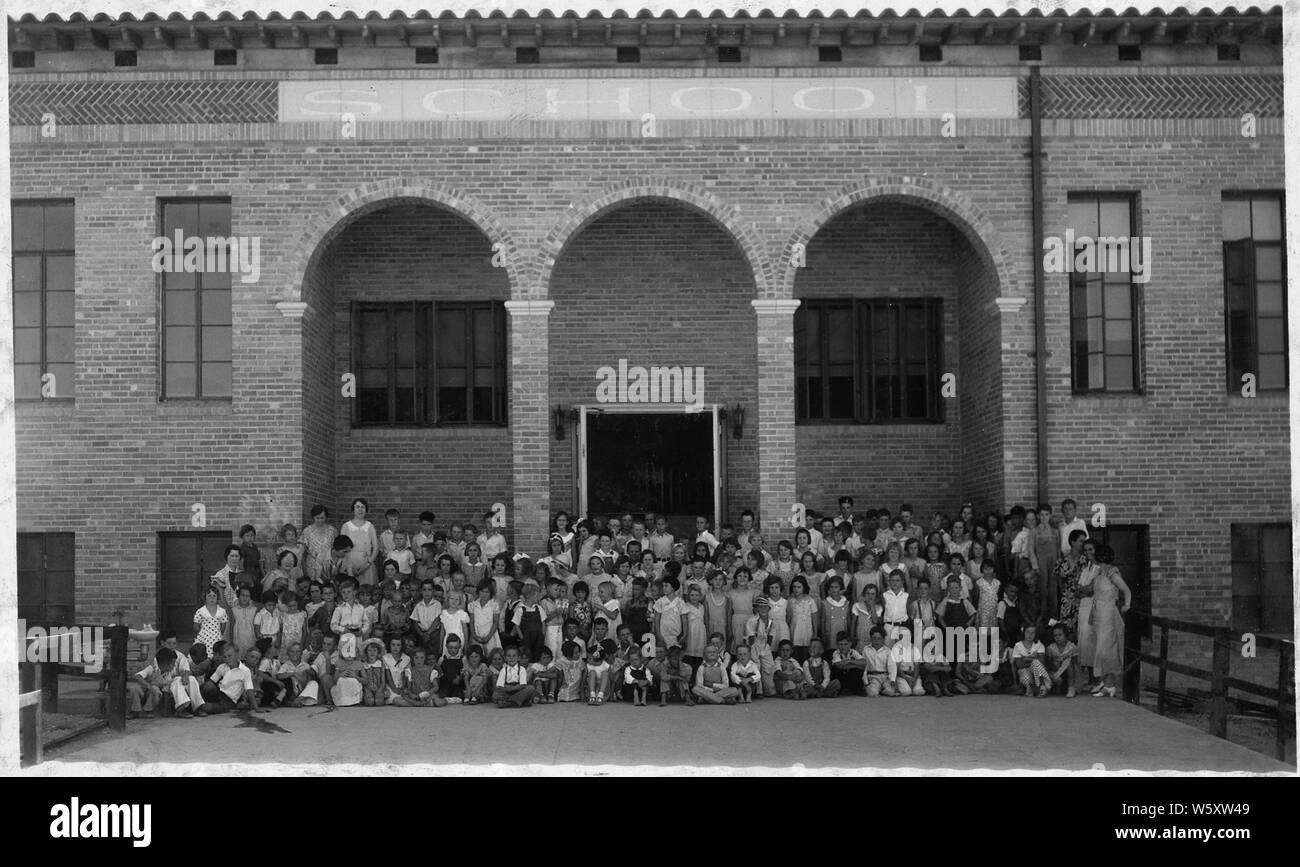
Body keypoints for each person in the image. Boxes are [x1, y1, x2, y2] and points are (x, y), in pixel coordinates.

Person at [1082, 544, 1132, 697]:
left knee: (1106, 649)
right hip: (1098, 614)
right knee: (1099, 649)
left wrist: (1126, 604)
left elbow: (1126, 590)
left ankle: (1110, 685)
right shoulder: (1099, 574)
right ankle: (1106, 681)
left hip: (1108, 615)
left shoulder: (1112, 573)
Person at [195, 643, 261, 716]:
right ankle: (195, 704)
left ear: (237, 654)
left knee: (207, 707)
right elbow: (211, 682)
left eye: (229, 656)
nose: (227, 659)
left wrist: (256, 708)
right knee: (208, 686)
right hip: (218, 693)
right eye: (224, 657)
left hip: (229, 701)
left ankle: (198, 707)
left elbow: (249, 690)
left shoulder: (245, 671)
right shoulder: (222, 667)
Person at [744, 596, 778, 697]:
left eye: (765, 607)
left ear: (769, 608)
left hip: (765, 645)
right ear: (756, 609)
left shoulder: (772, 621)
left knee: (769, 666)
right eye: (760, 607)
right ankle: (758, 691)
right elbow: (750, 637)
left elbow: (771, 635)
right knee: (756, 666)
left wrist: (767, 646)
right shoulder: (752, 621)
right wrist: (752, 650)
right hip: (754, 644)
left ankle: (769, 690)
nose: (762, 609)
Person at [341, 498, 380, 586]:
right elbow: (342, 547)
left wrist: (368, 563)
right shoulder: (346, 526)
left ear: (366, 510)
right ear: (353, 509)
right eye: (357, 507)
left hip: (366, 564)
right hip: (349, 564)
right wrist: (350, 566)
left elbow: (376, 547)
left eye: (363, 507)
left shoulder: (370, 526)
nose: (360, 509)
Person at [1012, 624, 1052, 697]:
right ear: (1024, 632)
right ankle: (1032, 688)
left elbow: (1042, 661)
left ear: (1036, 634)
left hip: (1037, 669)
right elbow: (1019, 665)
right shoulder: (1018, 646)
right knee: (1026, 677)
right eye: (1028, 632)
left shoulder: (1039, 644)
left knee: (1036, 662)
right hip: (1024, 670)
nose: (1030, 635)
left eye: (1033, 633)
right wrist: (1033, 659)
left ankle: (1042, 686)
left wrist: (1027, 659)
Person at [301, 506, 337, 582]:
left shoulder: (332, 530)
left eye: (322, 518)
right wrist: (304, 570)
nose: (320, 520)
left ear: (326, 517)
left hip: (327, 565)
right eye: (317, 518)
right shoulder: (307, 531)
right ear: (313, 517)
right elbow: (303, 552)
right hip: (312, 564)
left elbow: (336, 549)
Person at [861, 626, 897, 697]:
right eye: (874, 638)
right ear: (871, 638)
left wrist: (892, 680)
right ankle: (878, 689)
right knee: (872, 693)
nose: (876, 641)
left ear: (883, 639)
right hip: (873, 676)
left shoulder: (888, 651)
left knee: (892, 692)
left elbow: (892, 666)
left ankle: (883, 690)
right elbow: (864, 666)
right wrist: (865, 682)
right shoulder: (866, 650)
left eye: (879, 638)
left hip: (885, 676)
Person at [1046, 624, 1080, 697]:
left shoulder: (1072, 647)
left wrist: (1065, 659)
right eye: (1055, 636)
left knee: (1069, 661)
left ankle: (1071, 687)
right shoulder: (1051, 648)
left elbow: (1076, 664)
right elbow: (1048, 664)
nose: (1057, 637)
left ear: (1065, 635)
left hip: (1070, 673)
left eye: (1060, 635)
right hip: (1056, 672)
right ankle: (1057, 686)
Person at [193, 586, 229, 652]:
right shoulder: (200, 611)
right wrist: (202, 634)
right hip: (203, 638)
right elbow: (196, 626)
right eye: (209, 596)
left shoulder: (222, 611)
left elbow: (223, 626)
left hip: (217, 638)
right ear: (205, 597)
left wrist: (217, 634)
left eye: (214, 596)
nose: (212, 598)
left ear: (217, 597)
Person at [437, 635, 467, 702]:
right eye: (450, 648)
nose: (453, 650)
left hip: (458, 683)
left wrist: (460, 677)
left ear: (459, 647)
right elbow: (439, 674)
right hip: (445, 683)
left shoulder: (463, 659)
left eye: (455, 648)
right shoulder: (442, 659)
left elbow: (465, 672)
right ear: (446, 646)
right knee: (442, 694)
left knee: (459, 694)